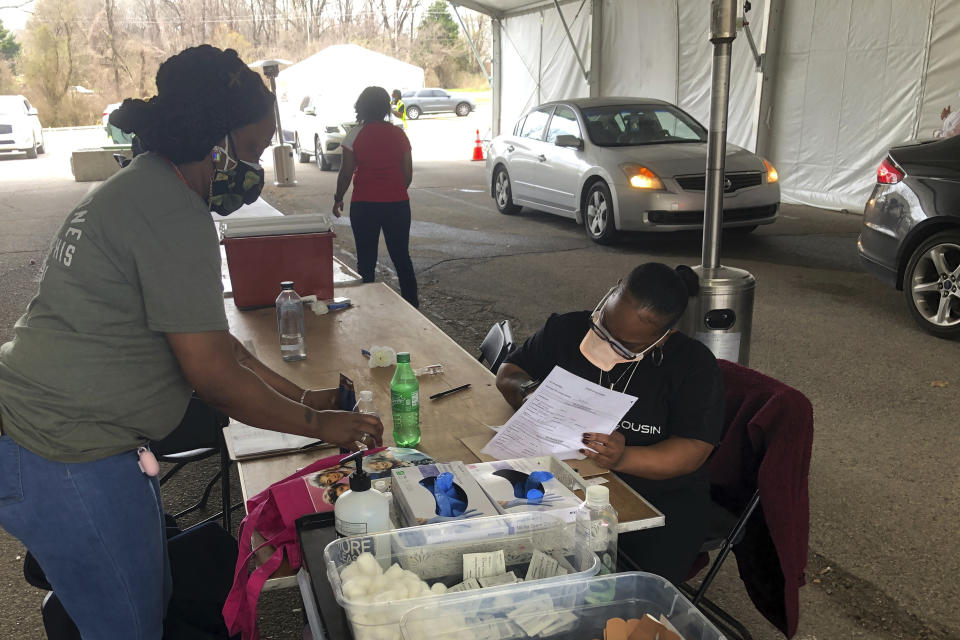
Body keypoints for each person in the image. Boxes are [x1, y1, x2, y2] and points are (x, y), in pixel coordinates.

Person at [0, 45, 383, 639]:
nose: (254, 169)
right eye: (252, 149)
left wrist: (308, 400)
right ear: (215, 139)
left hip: (74, 437)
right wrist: (320, 429)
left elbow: (220, 348)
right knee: (127, 627)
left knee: (147, 600)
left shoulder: (146, 187)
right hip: (63, 447)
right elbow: (213, 375)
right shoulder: (171, 210)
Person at [495, 263, 723, 585]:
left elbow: (693, 449)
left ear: (662, 337)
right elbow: (509, 371)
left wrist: (625, 458)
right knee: (517, 568)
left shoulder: (693, 366)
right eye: (604, 326)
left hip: (658, 502)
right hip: (562, 482)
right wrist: (528, 392)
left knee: (618, 597)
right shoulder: (568, 329)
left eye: (624, 345)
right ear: (611, 292)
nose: (606, 342)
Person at [333, 86, 419, 308]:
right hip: (397, 205)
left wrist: (338, 197)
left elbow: (346, 172)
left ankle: (367, 307)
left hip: (365, 205)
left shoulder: (354, 134)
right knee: (401, 257)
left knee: (366, 259)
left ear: (360, 107)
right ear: (385, 108)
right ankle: (412, 305)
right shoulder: (399, 134)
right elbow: (407, 174)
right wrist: (395, 191)